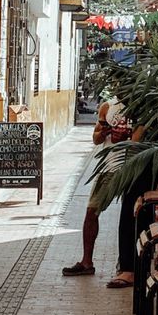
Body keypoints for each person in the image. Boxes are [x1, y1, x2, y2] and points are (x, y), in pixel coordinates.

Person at [61, 90, 132, 278]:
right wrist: (106, 131)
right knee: (92, 211)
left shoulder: (141, 108)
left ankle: (128, 264)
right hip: (109, 167)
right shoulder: (107, 107)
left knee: (131, 217)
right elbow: (96, 138)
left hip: (133, 168)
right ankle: (87, 261)